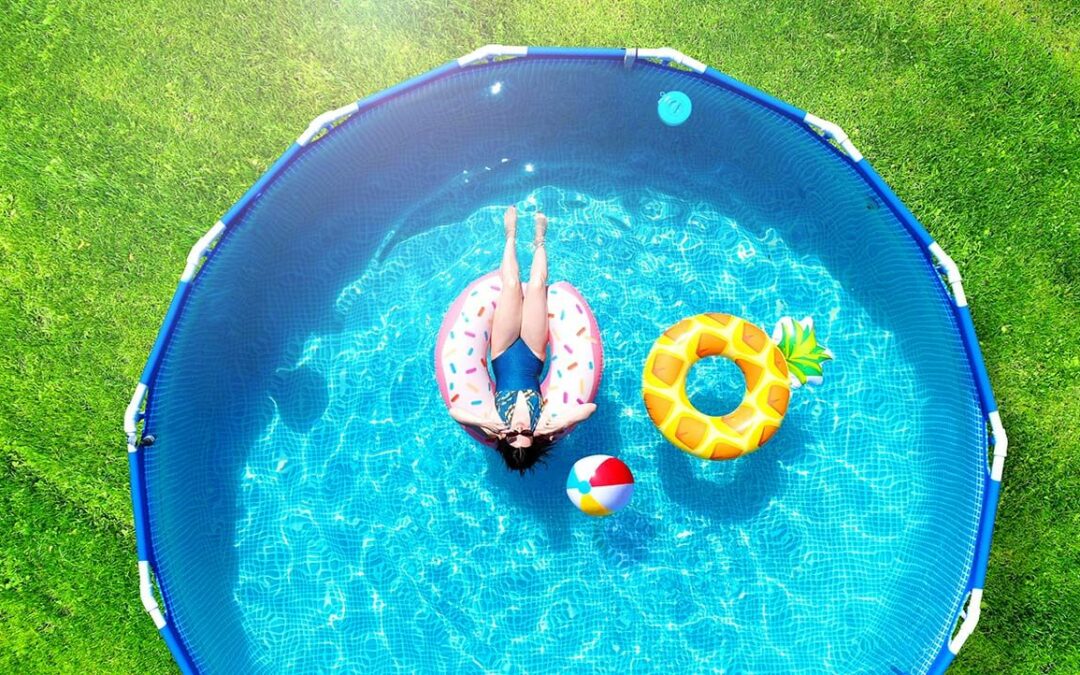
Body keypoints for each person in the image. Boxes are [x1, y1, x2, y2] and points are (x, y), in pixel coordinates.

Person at [450, 206, 596, 472]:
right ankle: (540, 239)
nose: (518, 431)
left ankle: (510, 235)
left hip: (503, 351)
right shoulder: (544, 425)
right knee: (538, 285)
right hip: (532, 352)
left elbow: (454, 413)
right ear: (534, 441)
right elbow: (590, 408)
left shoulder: (493, 424)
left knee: (512, 285)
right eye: (525, 438)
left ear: (504, 441)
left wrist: (489, 426)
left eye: (512, 438)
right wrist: (557, 425)